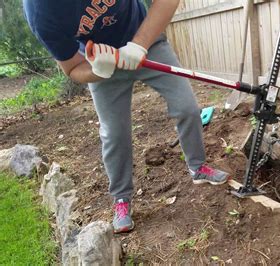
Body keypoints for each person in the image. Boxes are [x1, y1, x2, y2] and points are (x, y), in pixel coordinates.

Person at [23, 0, 229, 233]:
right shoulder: (41, 12)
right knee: (114, 133)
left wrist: (139, 45)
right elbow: (72, 68)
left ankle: (198, 167)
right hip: (102, 61)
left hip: (147, 43)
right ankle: (121, 199)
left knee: (187, 108)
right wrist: (97, 70)